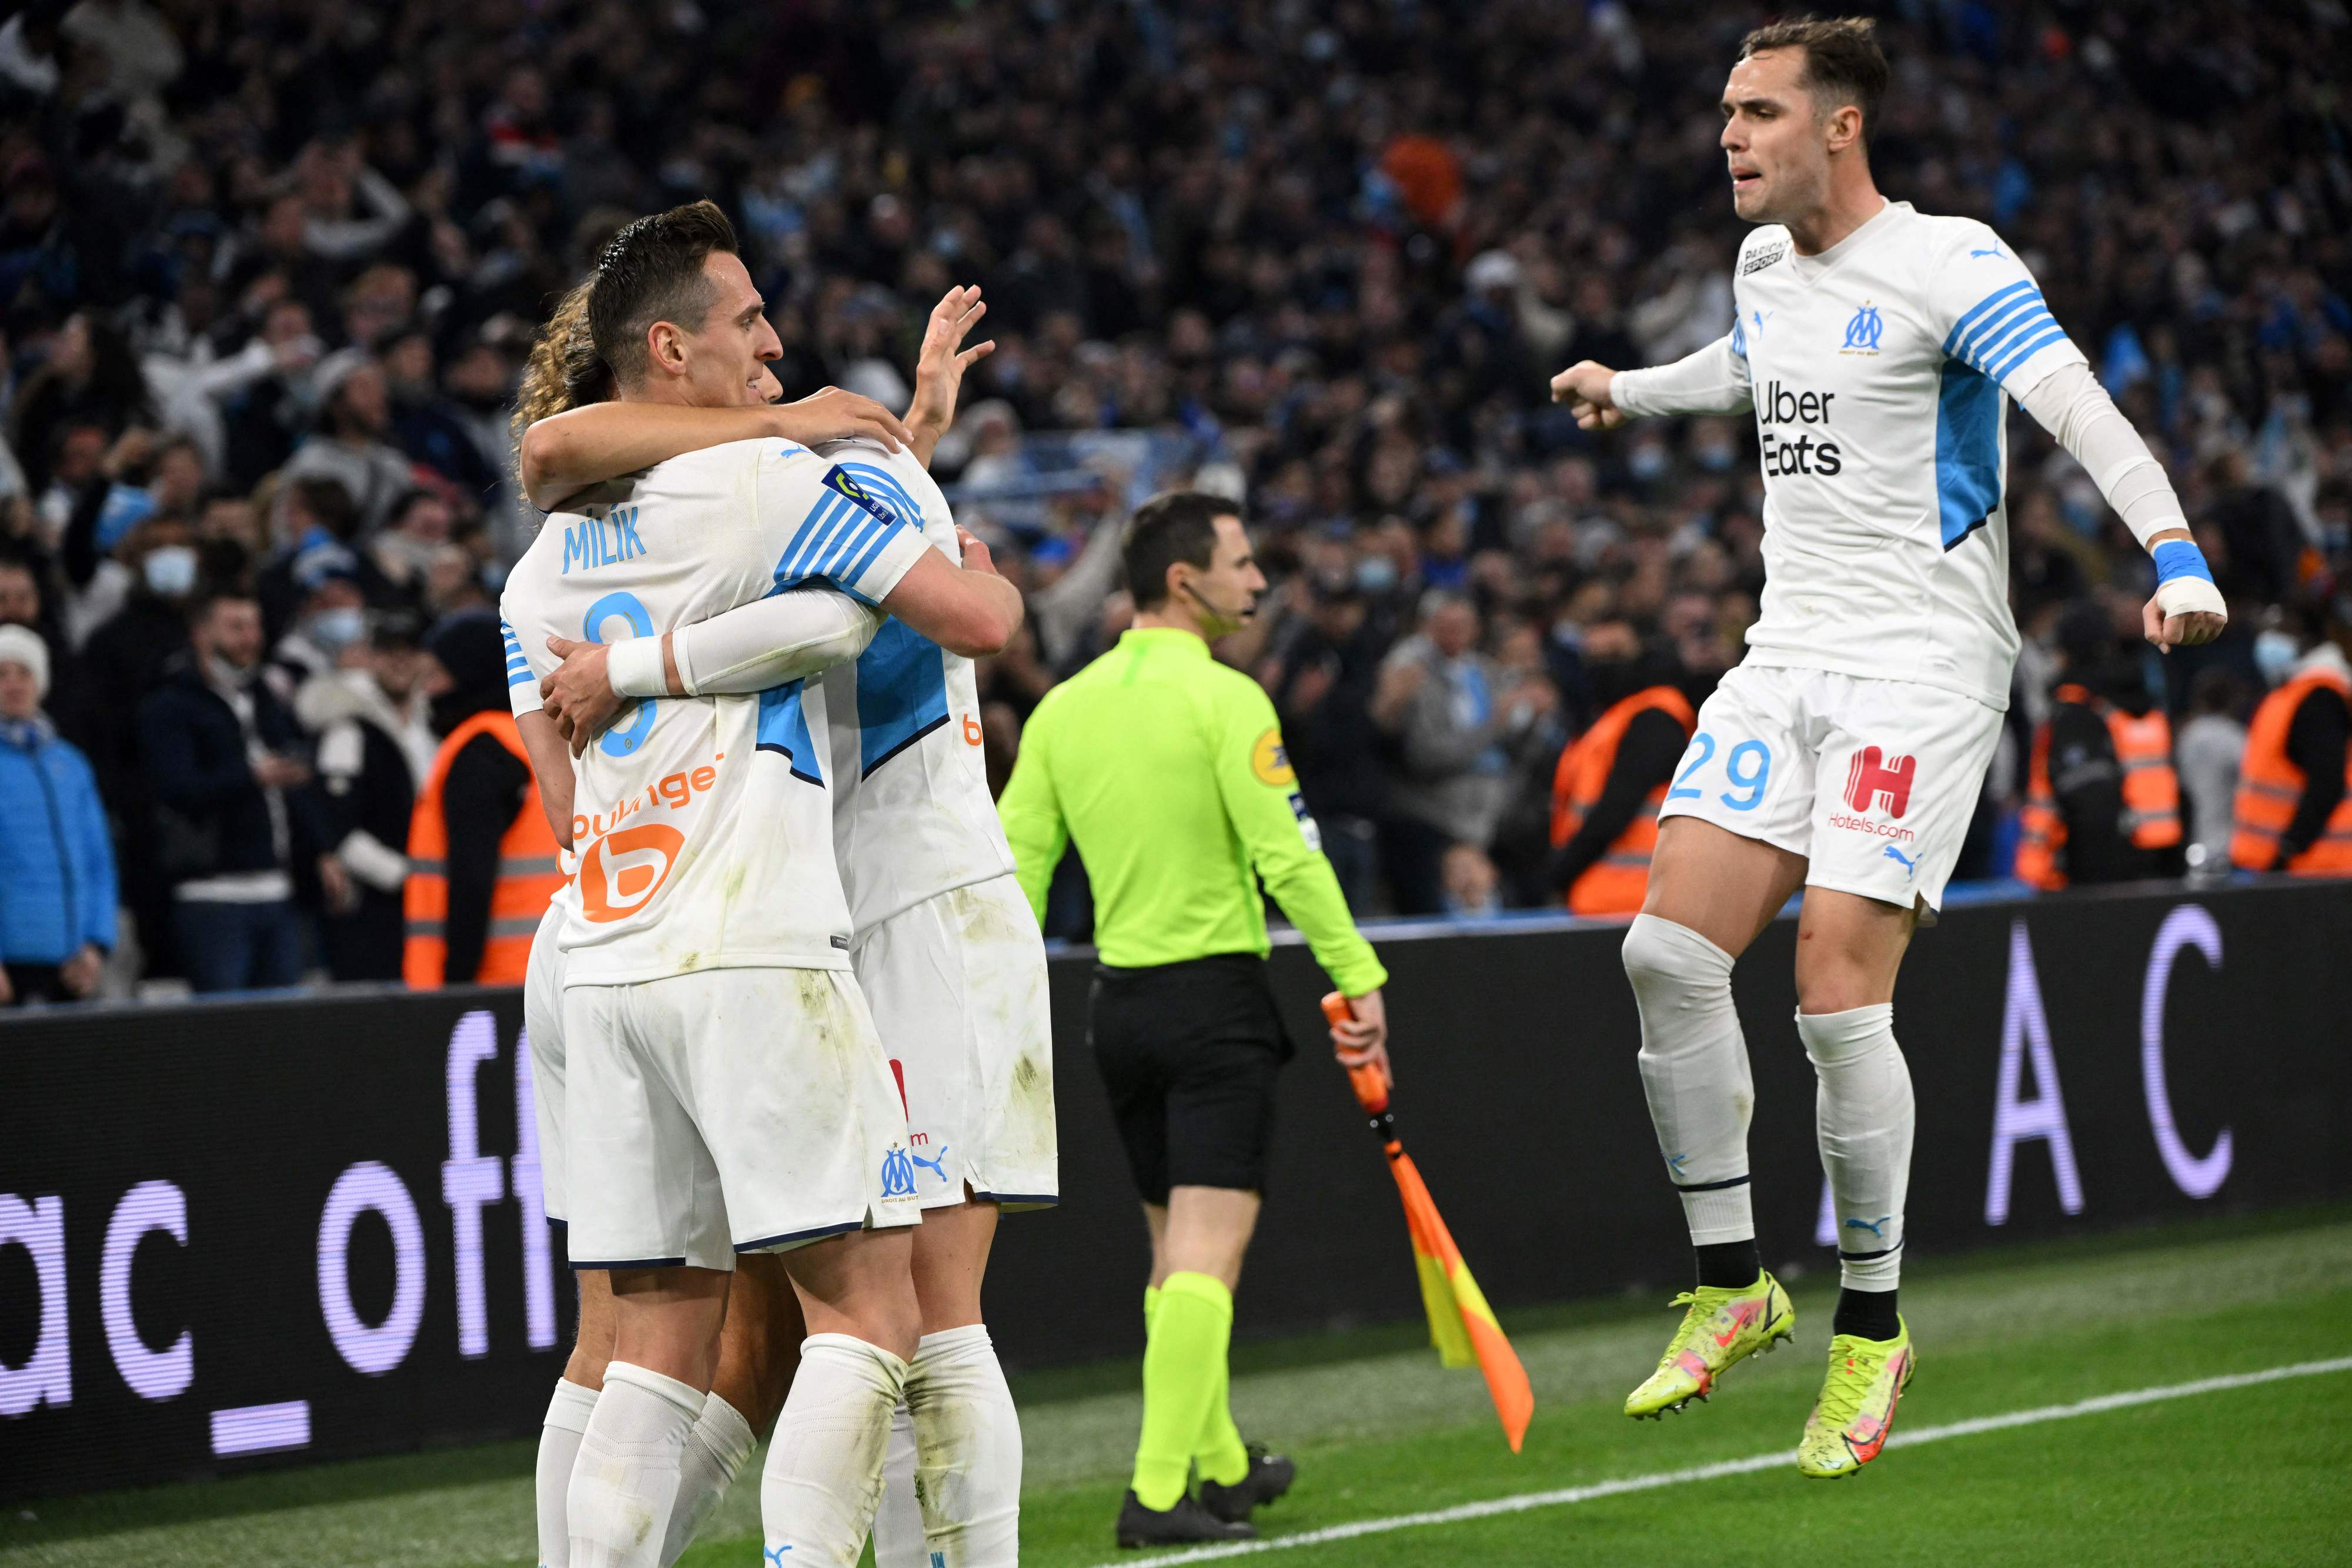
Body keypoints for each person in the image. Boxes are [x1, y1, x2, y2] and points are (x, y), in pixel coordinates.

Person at [1548, 16, 2225, 1477]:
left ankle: (1872, 1325)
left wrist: (2170, 552)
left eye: (1759, 112)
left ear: (1837, 126)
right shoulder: (1761, 267)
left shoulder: (1949, 264)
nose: (1729, 136)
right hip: (1786, 651)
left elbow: (2076, 411)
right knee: (1661, 953)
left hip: (1919, 667)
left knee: (1831, 979)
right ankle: (1734, 1288)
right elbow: (1747, 371)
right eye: (1725, 112)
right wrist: (1628, 385)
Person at [494, 202, 1021, 1568]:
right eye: (748, 327)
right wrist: (892, 473)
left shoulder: (534, 568)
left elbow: (555, 789)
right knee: (878, 1318)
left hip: (599, 951)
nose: (775, 351)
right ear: (669, 349)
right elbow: (927, 611)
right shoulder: (768, 485)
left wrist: (903, 440)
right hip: (760, 939)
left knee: (638, 1343)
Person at [996, 489, 1391, 1546]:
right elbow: (1288, 856)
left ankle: (1219, 1463)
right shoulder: (1228, 700)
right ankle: (1158, 1489)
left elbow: (1016, 868)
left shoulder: (1063, 709)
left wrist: (994, 1001)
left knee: (1175, 1258)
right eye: (1243, 562)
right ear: (1185, 581)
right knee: (1207, 1262)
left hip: (1117, 1011)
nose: (1259, 580)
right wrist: (1359, 976)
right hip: (1215, 1004)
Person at [138, 585, 331, 993]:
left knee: (283, 1034)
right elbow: (175, 790)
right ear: (202, 634)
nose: (249, 637)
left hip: (279, 892)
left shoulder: (264, 698)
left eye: (255, 626)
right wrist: (252, 775)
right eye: (235, 627)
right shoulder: (170, 705)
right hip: (212, 897)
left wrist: (321, 850)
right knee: (227, 1039)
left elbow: (290, 782)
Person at [401, 611, 565, 988]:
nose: (427, 689)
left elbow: (471, 881)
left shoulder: (477, 752)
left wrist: (455, 983)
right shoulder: (536, 739)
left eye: (436, 675)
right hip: (552, 972)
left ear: (468, 672)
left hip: (492, 984)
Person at [300, 612, 432, 982]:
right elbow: (336, 823)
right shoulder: (349, 728)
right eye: (389, 652)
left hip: (431, 897)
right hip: (377, 906)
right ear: (371, 658)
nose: (401, 662)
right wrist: (404, 878)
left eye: (410, 651)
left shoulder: (436, 724)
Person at [2015, 607, 2183, 890]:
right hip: (2159, 866)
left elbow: (2090, 805)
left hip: (2096, 881)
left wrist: (2090, 890)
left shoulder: (2078, 713)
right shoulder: (2143, 705)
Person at [1546, 623, 1698, 915]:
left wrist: (1560, 873)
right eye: (1595, 656)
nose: (1604, 665)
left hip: (1637, 899)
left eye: (1615, 652)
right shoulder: (1609, 719)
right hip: (1604, 895)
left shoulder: (1655, 717)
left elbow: (1616, 809)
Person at [0, 623, 113, 1002]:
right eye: (2, 674)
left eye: (25, 672)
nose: (14, 684)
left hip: (73, 962)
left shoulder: (71, 763)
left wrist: (97, 944)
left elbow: (99, 862)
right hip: (10, 967)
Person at [2230, 609, 2352, 876]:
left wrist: (2289, 847)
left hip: (2315, 870)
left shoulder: (2320, 698)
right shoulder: (2288, 693)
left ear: (2308, 638)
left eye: (2282, 631)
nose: (2268, 641)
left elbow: (2327, 783)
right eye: (2265, 631)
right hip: (2277, 869)